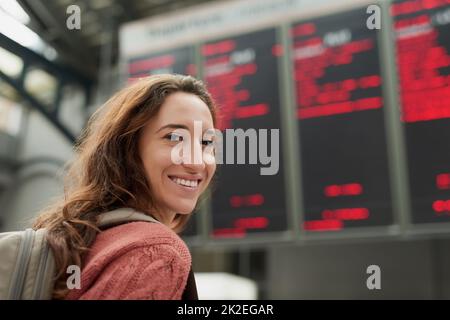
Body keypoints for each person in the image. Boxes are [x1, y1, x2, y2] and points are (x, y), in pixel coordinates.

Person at [32, 74, 218, 299]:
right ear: (128, 149)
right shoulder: (157, 252)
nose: (197, 161)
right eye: (175, 137)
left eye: (207, 142)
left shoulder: (80, 238)